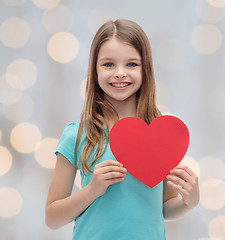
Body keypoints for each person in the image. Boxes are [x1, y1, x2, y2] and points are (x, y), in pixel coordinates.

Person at [45, 19, 199, 239]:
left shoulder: (162, 136)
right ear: (94, 68)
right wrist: (92, 190)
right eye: (108, 64)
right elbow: (52, 219)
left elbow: (163, 208)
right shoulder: (77, 134)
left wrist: (189, 202)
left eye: (131, 64)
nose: (119, 73)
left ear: (145, 69)